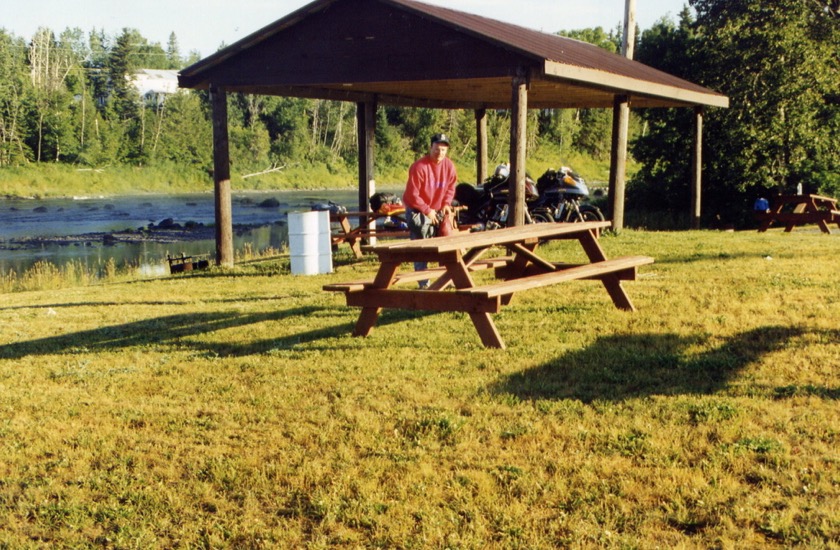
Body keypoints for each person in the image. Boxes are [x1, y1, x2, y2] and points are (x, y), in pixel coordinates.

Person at [402, 133, 458, 287]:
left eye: (443, 150)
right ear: (431, 147)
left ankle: (448, 278)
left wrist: (446, 203)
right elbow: (412, 195)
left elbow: (451, 187)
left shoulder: (449, 166)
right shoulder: (419, 167)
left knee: (447, 243)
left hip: (439, 209)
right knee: (421, 246)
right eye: (437, 149)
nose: (440, 153)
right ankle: (423, 283)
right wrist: (427, 211)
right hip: (418, 211)